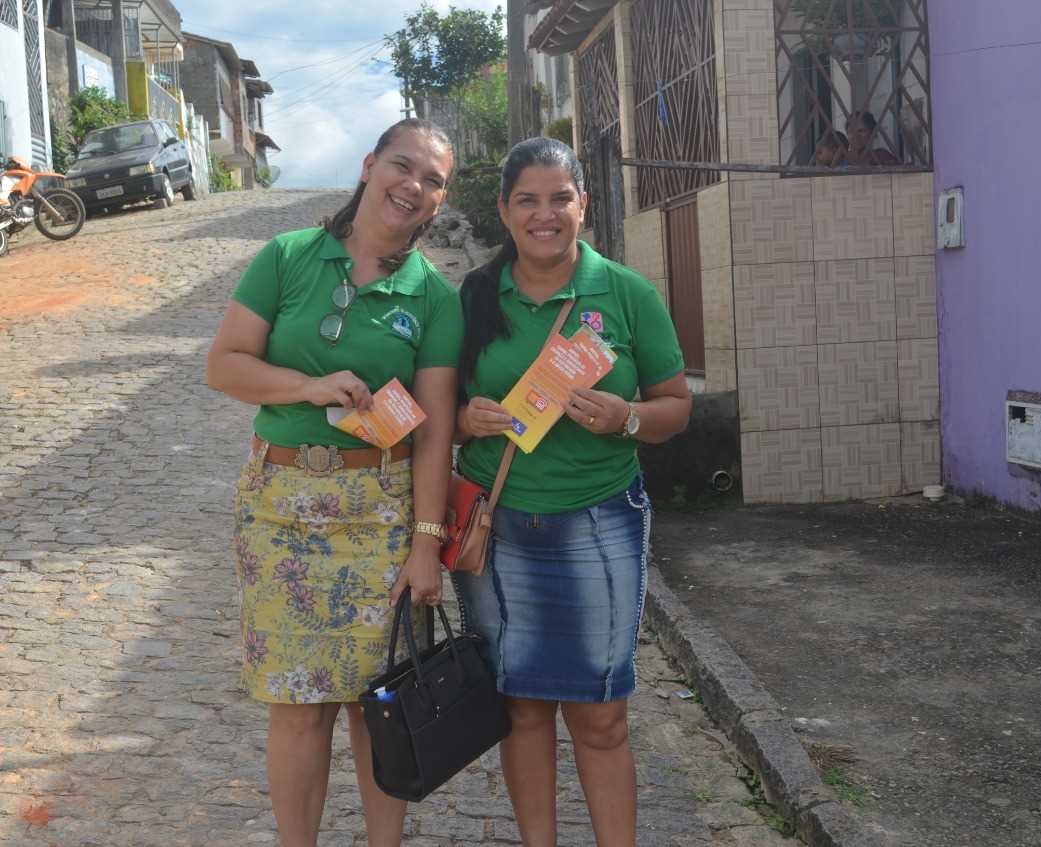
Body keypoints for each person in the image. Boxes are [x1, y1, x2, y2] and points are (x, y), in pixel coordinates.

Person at [206, 118, 461, 847]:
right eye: (402, 165)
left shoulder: (433, 299)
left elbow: (435, 430)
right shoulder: (288, 257)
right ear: (369, 164)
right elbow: (224, 365)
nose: (412, 186)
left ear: (440, 201)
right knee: (298, 705)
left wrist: (426, 544)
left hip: (379, 512)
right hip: (280, 506)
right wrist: (308, 387)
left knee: (377, 702)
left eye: (433, 180)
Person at [451, 137, 693, 846]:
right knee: (522, 707)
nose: (545, 213)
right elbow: (439, 409)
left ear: (583, 204)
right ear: (503, 209)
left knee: (600, 714)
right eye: (527, 199)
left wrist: (630, 418)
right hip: (497, 530)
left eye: (560, 197)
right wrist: (466, 418)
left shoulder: (625, 293)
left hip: (599, 527)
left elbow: (676, 403)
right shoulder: (472, 298)